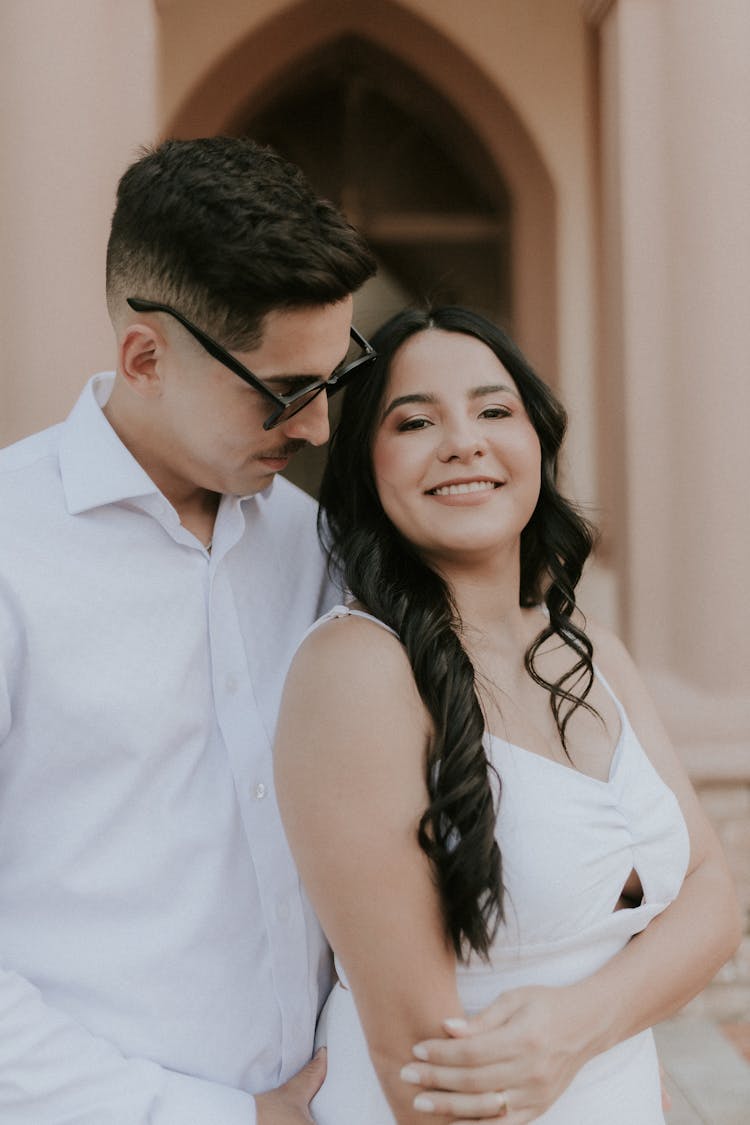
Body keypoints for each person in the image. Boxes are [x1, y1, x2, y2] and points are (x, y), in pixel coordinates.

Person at [274, 306, 741, 1123]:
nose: (463, 440)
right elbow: (425, 1071)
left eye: (494, 410)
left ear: (536, 441)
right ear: (367, 464)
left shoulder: (584, 646)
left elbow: (713, 900)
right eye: (415, 420)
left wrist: (580, 1027)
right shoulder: (356, 670)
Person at [0, 135, 378, 1123]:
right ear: (145, 356)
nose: (317, 429)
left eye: (332, 381)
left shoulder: (318, 545)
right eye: (284, 391)